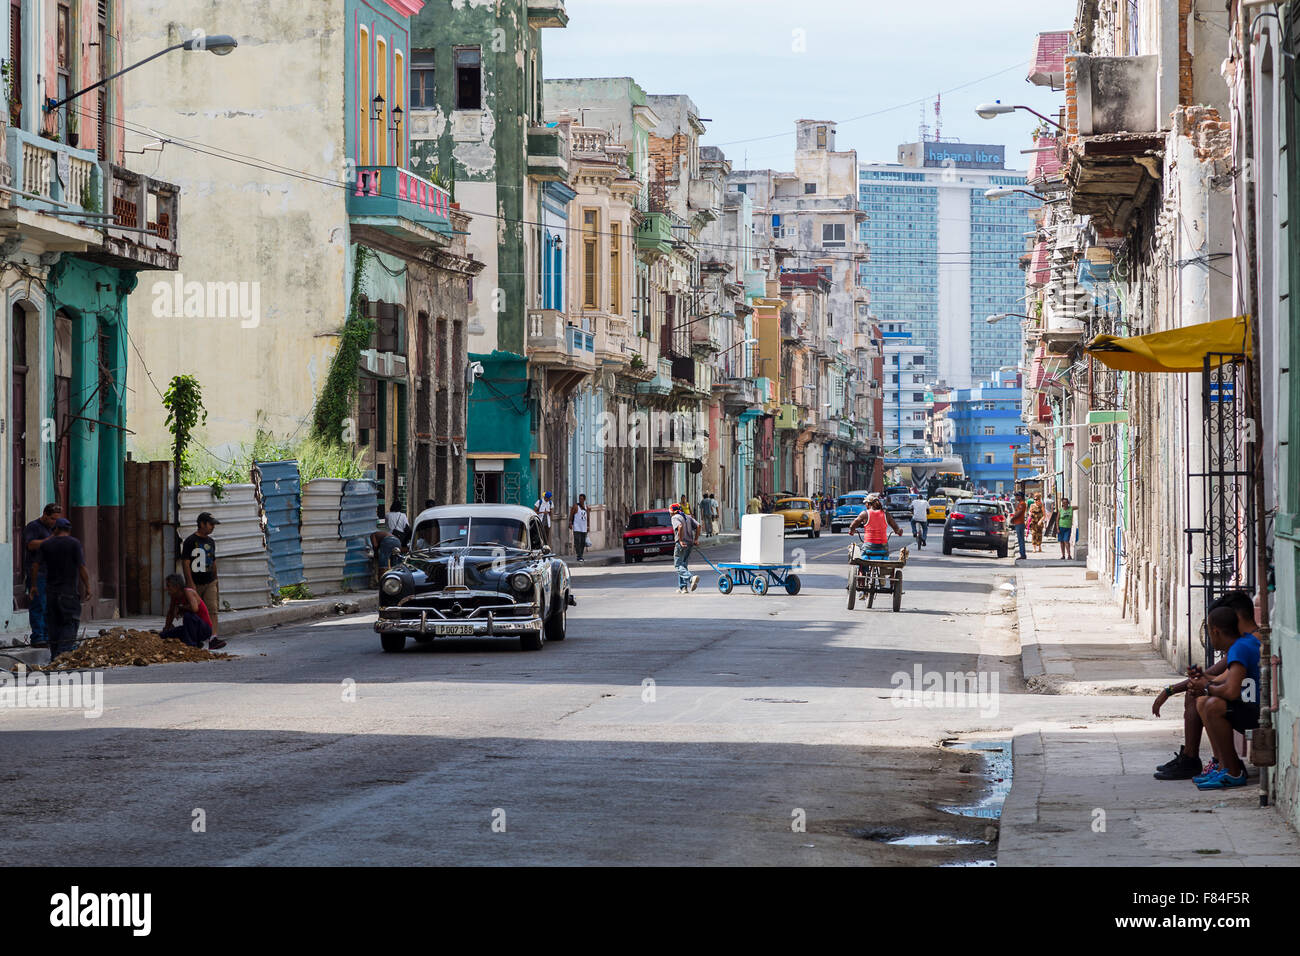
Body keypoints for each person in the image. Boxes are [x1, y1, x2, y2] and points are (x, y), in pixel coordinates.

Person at [1152, 590, 1258, 779]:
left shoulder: (1245, 644)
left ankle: (1223, 764)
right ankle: (1201, 759)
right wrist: (1190, 684)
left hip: (1251, 707)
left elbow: (1226, 683)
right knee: (1196, 694)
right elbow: (1217, 675)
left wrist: (1202, 685)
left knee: (1205, 701)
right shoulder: (1243, 643)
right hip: (1246, 702)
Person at [1188, 607, 1262, 790]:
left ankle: (1233, 772)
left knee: (1212, 705)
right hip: (1250, 707)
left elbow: (1231, 692)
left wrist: (1205, 687)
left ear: (1215, 631)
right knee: (1203, 701)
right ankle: (1223, 766)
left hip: (1255, 713)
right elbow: (1223, 679)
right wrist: (1204, 679)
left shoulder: (1239, 648)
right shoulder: (1243, 645)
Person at [28, 518, 90, 662]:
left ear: (55, 529)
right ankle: (62, 655)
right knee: (69, 622)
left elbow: (35, 565)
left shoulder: (46, 544)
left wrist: (34, 585)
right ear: (68, 530)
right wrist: (88, 586)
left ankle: (55, 655)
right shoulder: (74, 544)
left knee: (53, 624)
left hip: (51, 592)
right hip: (69, 593)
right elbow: (81, 567)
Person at [21, 503, 62, 647]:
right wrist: (49, 541)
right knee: (38, 604)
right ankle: (38, 637)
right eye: (52, 519)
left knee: (49, 606)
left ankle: (47, 635)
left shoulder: (54, 529)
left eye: (56, 519)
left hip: (51, 573)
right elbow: (30, 545)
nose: (54, 522)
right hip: (37, 573)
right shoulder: (33, 527)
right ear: (44, 515)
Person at [181, 511, 221, 644]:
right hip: (195, 582)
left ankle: (213, 637)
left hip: (209, 581)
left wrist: (215, 579)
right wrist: (190, 582)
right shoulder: (190, 541)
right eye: (210, 524)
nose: (213, 527)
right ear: (201, 524)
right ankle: (195, 637)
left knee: (213, 609)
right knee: (195, 610)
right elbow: (185, 562)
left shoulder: (211, 542)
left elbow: (213, 561)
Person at [162, 573, 219, 649]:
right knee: (166, 634)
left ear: (177, 586)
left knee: (188, 616)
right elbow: (170, 613)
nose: (166, 588)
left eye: (168, 586)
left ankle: (192, 645)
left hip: (204, 629)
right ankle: (195, 642)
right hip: (192, 629)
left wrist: (180, 608)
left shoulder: (188, 592)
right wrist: (166, 628)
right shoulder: (174, 596)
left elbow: (194, 608)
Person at [848, 494, 902, 560]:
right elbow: (895, 527)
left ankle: (863, 570)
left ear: (868, 504)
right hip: (883, 546)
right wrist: (898, 532)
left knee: (860, 559)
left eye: (865, 503)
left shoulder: (864, 514)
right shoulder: (886, 514)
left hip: (869, 546)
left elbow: (853, 525)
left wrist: (851, 531)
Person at [670, 502, 699, 594]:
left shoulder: (675, 517)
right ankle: (683, 588)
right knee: (683, 565)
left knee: (678, 565)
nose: (670, 514)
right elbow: (698, 526)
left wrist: (681, 540)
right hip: (690, 543)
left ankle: (691, 578)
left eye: (670, 512)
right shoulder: (688, 517)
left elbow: (680, 526)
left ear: (674, 512)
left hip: (681, 544)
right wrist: (696, 539)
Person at [569, 494, 589, 562]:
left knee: (583, 542)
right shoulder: (575, 506)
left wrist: (588, 526)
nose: (580, 500)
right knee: (577, 541)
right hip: (577, 527)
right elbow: (571, 514)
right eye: (579, 499)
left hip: (584, 527)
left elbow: (588, 517)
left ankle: (581, 555)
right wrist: (570, 523)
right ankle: (578, 556)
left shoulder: (586, 507)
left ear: (584, 499)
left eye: (582, 499)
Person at [1011, 492, 1027, 560]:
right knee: (1020, 539)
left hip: (1020, 523)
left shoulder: (1022, 504)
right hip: (1018, 523)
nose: (1016, 497)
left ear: (1021, 496)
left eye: (1017, 496)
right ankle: (1022, 554)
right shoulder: (1019, 504)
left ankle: (1022, 554)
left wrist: (1013, 518)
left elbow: (1019, 513)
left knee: (1021, 540)